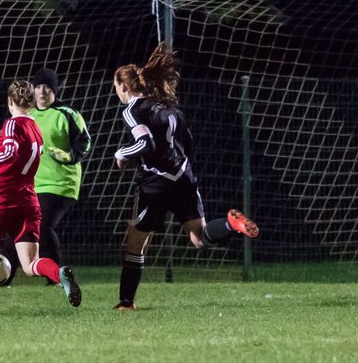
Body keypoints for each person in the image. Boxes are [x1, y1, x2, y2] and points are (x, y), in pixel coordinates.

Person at [111, 42, 259, 311]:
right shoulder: (169, 107)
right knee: (199, 238)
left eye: (116, 87)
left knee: (135, 244)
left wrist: (122, 153)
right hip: (183, 178)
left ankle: (126, 302)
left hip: (154, 185)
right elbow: (188, 144)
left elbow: (145, 144)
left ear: (124, 87)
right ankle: (229, 225)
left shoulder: (133, 109)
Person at [0, 79, 82, 314]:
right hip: (27, 202)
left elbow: (9, 152)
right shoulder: (36, 130)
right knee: (30, 263)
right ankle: (58, 273)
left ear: (10, 102)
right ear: (32, 103)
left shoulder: (13, 124)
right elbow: (12, 156)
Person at [0, 67, 92, 285]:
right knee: (17, 228)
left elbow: (85, 142)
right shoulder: (26, 117)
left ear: (54, 91)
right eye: (38, 86)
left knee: (42, 223)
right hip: (31, 186)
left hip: (61, 184)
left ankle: (57, 276)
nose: (42, 91)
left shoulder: (68, 114)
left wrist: (69, 156)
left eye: (47, 87)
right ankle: (3, 276)